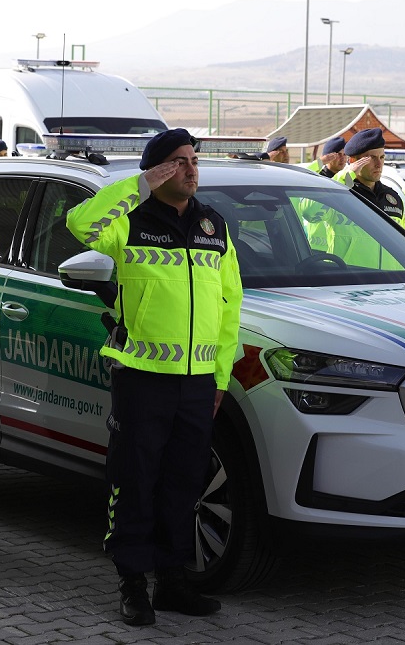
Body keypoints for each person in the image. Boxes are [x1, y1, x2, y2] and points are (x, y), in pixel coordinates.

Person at [66, 128, 242, 626]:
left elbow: (231, 306)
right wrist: (139, 184)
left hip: (197, 381)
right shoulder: (129, 221)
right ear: (157, 169)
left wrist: (219, 378)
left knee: (183, 485)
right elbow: (80, 223)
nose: (190, 170)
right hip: (142, 377)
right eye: (178, 162)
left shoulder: (213, 226)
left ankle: (172, 580)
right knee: (135, 481)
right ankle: (132, 584)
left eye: (192, 162)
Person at [333, 127, 405, 226]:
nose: (379, 164)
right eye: (372, 158)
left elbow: (401, 238)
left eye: (382, 157)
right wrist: (347, 175)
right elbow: (310, 212)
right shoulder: (340, 194)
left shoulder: (393, 198)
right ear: (353, 161)